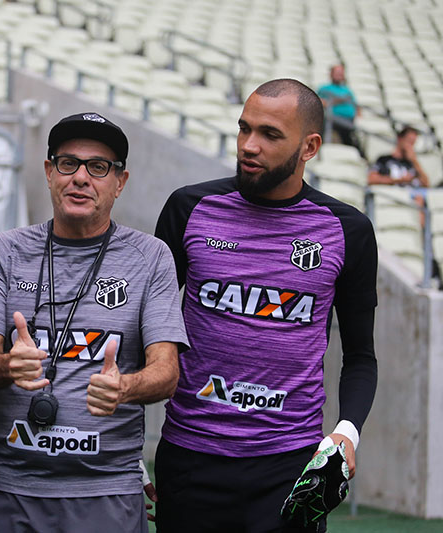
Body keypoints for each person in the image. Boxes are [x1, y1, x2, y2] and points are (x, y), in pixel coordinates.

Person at [155, 79, 378, 532]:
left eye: (270, 134)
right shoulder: (188, 207)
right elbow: (144, 330)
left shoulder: (346, 230)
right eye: (244, 129)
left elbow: (360, 357)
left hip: (289, 468)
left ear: (309, 146)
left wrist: (346, 432)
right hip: (189, 460)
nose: (249, 146)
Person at [0, 112, 189, 531]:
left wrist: (124, 387)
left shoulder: (151, 257)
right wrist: (9, 365)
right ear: (50, 172)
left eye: (98, 167)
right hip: (8, 490)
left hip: (104, 492)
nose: (81, 177)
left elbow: (167, 373)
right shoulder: (6, 251)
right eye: (68, 163)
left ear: (119, 182)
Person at [317, 64, 364, 157]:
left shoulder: (347, 90)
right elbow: (318, 101)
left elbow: (355, 105)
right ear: (331, 74)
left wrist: (358, 115)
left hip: (349, 120)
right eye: (337, 73)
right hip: (333, 118)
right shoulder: (324, 88)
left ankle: (359, 154)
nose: (339, 75)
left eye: (341, 73)